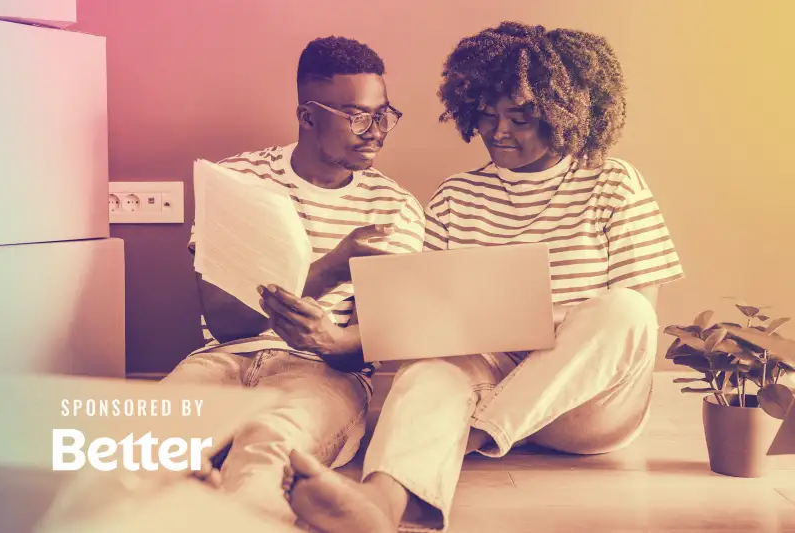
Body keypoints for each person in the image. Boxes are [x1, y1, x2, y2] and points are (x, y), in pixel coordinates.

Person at [285, 22, 685, 533]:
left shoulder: (612, 182)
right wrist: (340, 339)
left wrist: (549, 325)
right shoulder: (456, 197)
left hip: (585, 405)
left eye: (520, 118)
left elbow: (634, 329)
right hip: (491, 375)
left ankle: (467, 435)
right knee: (431, 369)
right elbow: (418, 317)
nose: (499, 132)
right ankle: (378, 504)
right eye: (488, 115)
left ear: (564, 114)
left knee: (626, 309)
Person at [160, 35, 425, 525]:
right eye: (357, 115)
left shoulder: (396, 209)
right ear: (307, 116)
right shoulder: (238, 180)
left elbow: (375, 345)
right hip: (221, 360)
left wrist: (330, 340)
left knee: (269, 444)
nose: (376, 131)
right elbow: (224, 323)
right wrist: (325, 272)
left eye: (383, 114)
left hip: (323, 373)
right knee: (145, 450)